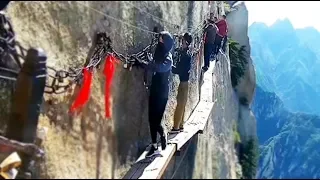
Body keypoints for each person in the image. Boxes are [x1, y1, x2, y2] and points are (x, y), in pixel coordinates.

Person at [143, 31, 174, 158]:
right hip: (155, 89)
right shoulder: (158, 53)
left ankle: (158, 141)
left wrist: (149, 64)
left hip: (162, 93)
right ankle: (158, 140)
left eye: (161, 40)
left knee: (156, 119)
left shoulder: (168, 57)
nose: (159, 42)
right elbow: (153, 65)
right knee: (152, 118)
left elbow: (161, 68)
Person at [170, 33, 192, 134]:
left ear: (186, 43)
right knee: (182, 104)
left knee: (180, 105)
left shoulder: (186, 56)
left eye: (182, 41)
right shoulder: (184, 53)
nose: (181, 43)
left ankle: (176, 127)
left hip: (184, 83)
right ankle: (181, 125)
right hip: (183, 83)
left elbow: (180, 70)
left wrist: (170, 66)